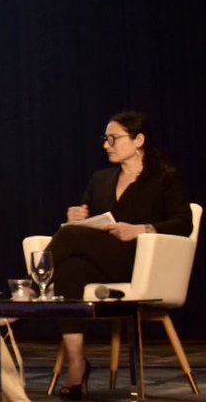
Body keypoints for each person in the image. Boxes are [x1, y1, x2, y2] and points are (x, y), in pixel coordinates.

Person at [46, 111, 192, 399]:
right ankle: (78, 365)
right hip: (103, 262)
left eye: (113, 138)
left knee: (71, 236)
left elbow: (183, 223)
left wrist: (141, 229)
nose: (106, 145)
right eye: (105, 139)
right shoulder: (100, 179)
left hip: (140, 265)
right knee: (70, 269)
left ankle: (30, 290)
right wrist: (76, 216)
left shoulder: (164, 178)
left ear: (138, 140)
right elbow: (88, 221)